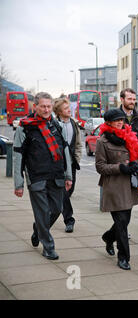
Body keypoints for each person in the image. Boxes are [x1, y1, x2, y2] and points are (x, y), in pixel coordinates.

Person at [13, 92, 73, 260]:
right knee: (42, 212)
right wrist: (18, 184)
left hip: (57, 175)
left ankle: (38, 230)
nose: (46, 110)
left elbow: (65, 151)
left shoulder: (56, 125)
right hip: (36, 177)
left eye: (49, 106)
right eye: (43, 106)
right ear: (35, 107)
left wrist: (68, 175)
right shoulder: (24, 127)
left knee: (57, 209)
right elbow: (18, 156)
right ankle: (48, 247)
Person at [95, 108, 138, 270]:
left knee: (124, 221)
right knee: (122, 224)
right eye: (116, 120)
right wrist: (120, 167)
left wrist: (135, 163)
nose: (120, 122)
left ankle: (108, 237)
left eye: (122, 120)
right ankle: (123, 257)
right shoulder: (102, 141)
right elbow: (100, 167)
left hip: (129, 186)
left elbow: (135, 155)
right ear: (108, 122)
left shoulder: (128, 136)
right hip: (114, 187)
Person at [53, 97, 82, 233]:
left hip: (71, 164)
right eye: (66, 108)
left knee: (68, 192)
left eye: (69, 107)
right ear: (59, 111)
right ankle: (69, 219)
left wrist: (77, 158)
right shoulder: (53, 124)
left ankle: (45, 220)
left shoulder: (74, 123)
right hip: (57, 165)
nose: (69, 110)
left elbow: (78, 144)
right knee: (63, 192)